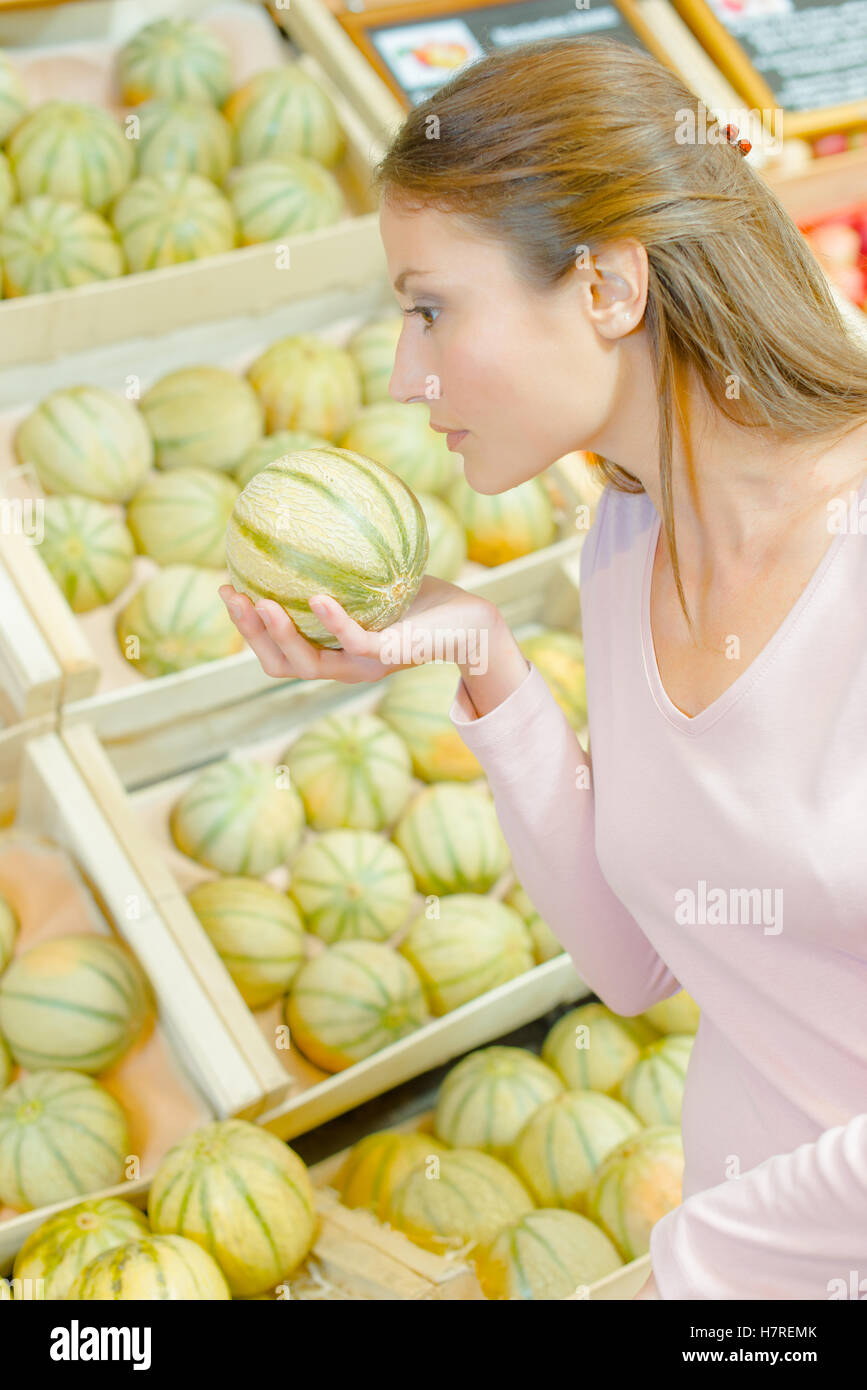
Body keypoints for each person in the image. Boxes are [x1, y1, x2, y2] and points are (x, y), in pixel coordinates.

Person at [220, 36, 867, 1300]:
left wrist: (703, 1273)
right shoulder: (626, 545)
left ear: (609, 286)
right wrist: (484, 661)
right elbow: (643, 962)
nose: (408, 377)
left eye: (429, 307)